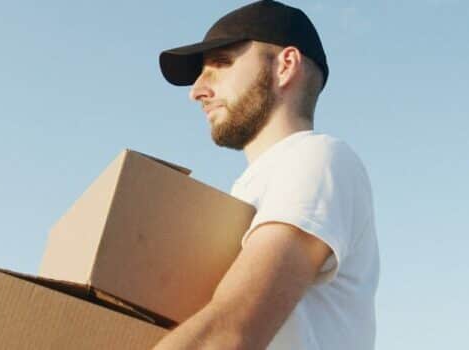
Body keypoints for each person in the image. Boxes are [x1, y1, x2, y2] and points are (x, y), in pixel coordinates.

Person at [152, 1, 379, 349]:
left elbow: (230, 332)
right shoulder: (250, 192)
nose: (197, 91)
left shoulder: (319, 158)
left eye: (220, 65)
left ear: (285, 66)